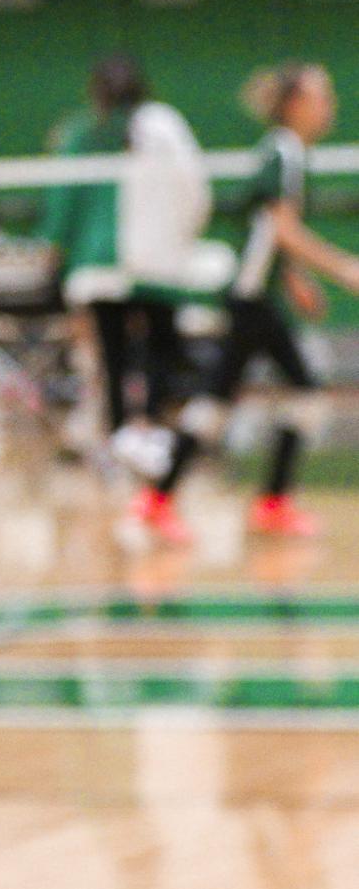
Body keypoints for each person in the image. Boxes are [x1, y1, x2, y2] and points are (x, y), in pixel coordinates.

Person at [137, 63, 359, 541]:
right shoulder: (286, 151)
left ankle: (161, 500)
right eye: (323, 98)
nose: (329, 108)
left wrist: (296, 278)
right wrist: (343, 267)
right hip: (250, 297)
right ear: (297, 104)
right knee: (304, 393)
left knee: (218, 402)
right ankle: (269, 502)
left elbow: (270, 229)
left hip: (251, 294)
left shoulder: (283, 150)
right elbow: (283, 229)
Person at [42, 55, 202, 456]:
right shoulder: (167, 125)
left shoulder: (81, 133)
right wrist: (183, 239)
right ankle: (151, 427)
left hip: (100, 262)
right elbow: (195, 190)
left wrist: (52, 245)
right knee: (161, 348)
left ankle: (119, 434)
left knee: (113, 356)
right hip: (155, 262)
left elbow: (63, 200)